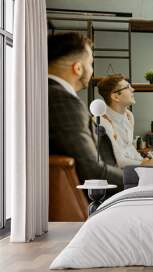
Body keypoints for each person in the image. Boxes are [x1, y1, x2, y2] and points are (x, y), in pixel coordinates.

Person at [48, 32, 123, 187]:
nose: (92, 70)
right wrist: (142, 180)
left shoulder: (48, 93)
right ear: (78, 68)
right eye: (91, 63)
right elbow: (92, 172)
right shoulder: (63, 101)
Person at [96, 74, 153, 168]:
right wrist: (144, 164)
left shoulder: (129, 116)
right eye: (127, 87)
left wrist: (149, 161)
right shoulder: (102, 122)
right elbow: (119, 161)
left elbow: (129, 148)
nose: (132, 89)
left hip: (134, 168)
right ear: (116, 97)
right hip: (119, 175)